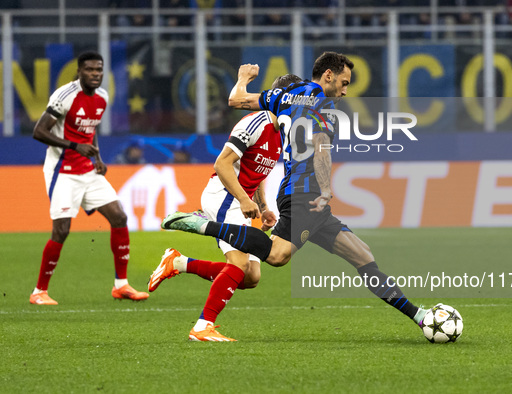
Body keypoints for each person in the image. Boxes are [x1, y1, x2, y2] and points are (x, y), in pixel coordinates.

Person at [162, 52, 437, 336]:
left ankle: (419, 316)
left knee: (362, 255)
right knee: (277, 255)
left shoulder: (285, 95)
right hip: (306, 194)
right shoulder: (324, 104)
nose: (345, 90)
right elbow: (320, 146)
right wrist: (327, 189)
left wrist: (243, 78)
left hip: (301, 195)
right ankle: (203, 225)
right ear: (328, 75)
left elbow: (236, 100)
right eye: (344, 82)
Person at [151, 74, 302, 341]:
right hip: (224, 196)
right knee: (239, 263)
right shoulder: (257, 121)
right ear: (284, 98)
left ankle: (177, 262)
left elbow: (258, 170)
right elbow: (222, 164)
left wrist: (262, 205)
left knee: (251, 277)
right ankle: (202, 326)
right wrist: (244, 199)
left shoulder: (284, 132)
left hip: (241, 200)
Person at [30, 51, 149, 305]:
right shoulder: (65, 95)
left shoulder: (103, 97)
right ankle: (39, 291)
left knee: (119, 216)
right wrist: (74, 146)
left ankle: (121, 285)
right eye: (90, 70)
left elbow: (90, 131)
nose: (95, 74)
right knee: (61, 230)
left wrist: (98, 158)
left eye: (99, 70)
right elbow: (39, 131)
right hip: (62, 171)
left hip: (87, 168)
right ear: (79, 71)